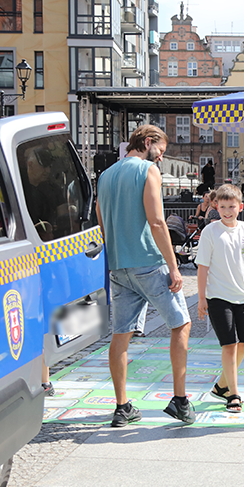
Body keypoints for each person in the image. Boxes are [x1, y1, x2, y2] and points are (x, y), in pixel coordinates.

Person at [96, 125, 194, 427]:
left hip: (119, 265)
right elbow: (156, 221)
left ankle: (122, 406)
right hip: (149, 261)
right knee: (181, 324)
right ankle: (179, 400)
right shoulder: (148, 170)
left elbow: (101, 219)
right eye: (161, 151)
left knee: (120, 335)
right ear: (148, 143)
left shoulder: (105, 175)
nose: (161, 158)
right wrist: (174, 265)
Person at [196, 183, 244, 414]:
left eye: (231, 206)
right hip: (217, 296)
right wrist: (202, 298)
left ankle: (221, 385)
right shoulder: (210, 231)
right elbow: (202, 267)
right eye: (223, 206)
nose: (227, 211)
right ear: (216, 206)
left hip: (242, 296)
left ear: (240, 207)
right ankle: (233, 394)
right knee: (229, 346)